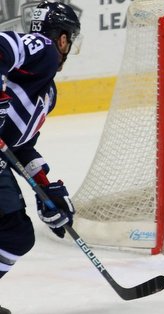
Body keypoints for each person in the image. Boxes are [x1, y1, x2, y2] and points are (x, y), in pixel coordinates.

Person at [0, 2, 81, 313]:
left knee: (15, 235)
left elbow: (20, 147)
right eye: (69, 40)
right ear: (62, 39)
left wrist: (46, 188)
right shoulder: (43, 48)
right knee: (14, 233)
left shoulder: (47, 93)